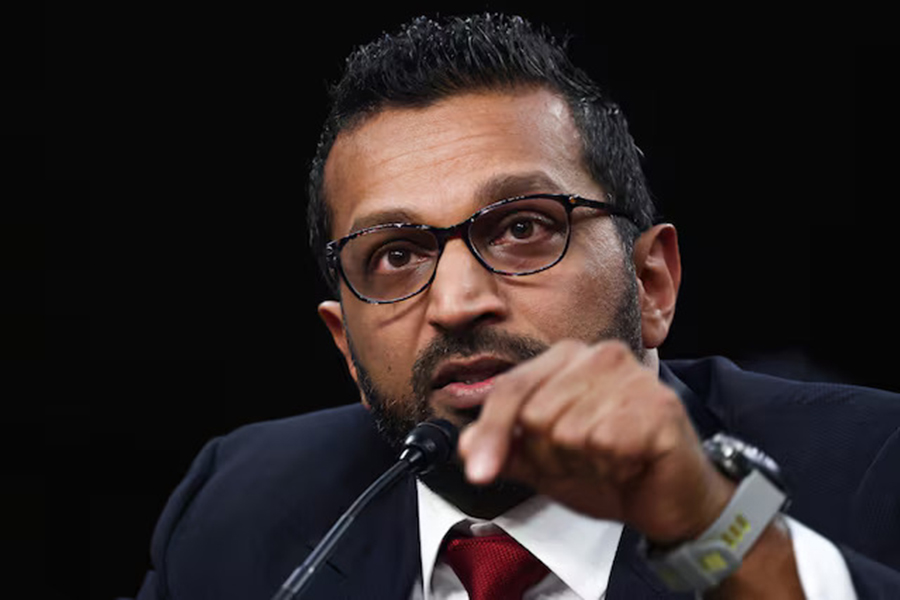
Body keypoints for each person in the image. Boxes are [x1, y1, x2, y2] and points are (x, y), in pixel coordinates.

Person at [132, 13, 900, 599]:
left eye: (523, 228)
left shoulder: (874, 471)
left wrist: (716, 529)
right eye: (396, 255)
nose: (459, 302)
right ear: (347, 350)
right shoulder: (235, 509)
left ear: (653, 284)